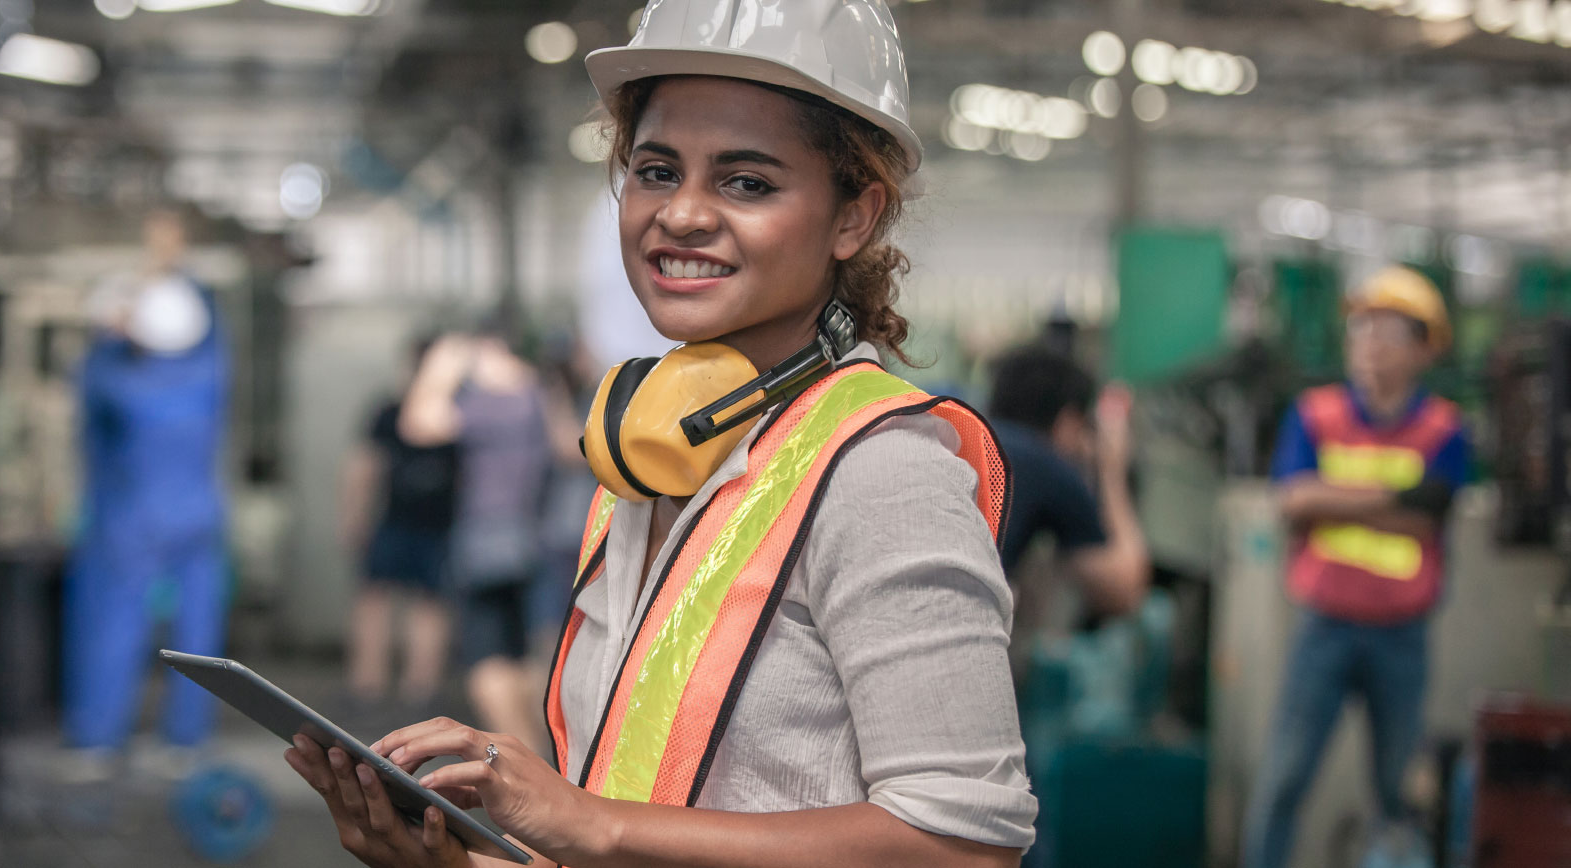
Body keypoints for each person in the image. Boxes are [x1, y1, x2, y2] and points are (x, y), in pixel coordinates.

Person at [283, 3, 1036, 865]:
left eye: (746, 182)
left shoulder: (880, 471)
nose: (680, 215)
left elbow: (967, 846)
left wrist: (589, 825)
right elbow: (647, 815)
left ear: (853, 218)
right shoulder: (645, 456)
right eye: (655, 170)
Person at [1241, 266, 1472, 868]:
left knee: (1398, 791)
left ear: (1425, 348)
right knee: (1283, 780)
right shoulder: (1315, 414)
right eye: (1362, 329)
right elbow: (1294, 501)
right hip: (1323, 628)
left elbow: (1431, 517)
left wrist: (1333, 498)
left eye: (1389, 332)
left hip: (1402, 636)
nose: (1370, 344)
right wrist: (1395, 498)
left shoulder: (1445, 429)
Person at [62, 211, 230, 774]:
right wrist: (171, 263)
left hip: (132, 520)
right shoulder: (208, 372)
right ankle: (185, 741)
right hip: (199, 515)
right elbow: (206, 321)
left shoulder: (119, 381)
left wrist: (111, 331)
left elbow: (90, 385)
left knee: (116, 626)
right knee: (198, 633)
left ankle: (98, 741)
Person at [398, 328, 555, 752]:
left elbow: (417, 422)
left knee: (487, 659)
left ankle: (525, 762)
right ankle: (544, 761)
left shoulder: (494, 402)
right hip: (533, 539)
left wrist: (440, 368)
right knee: (523, 654)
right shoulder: (538, 393)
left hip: (487, 541)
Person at [339, 338, 459, 711]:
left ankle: (419, 689)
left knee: (429, 605)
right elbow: (363, 467)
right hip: (394, 521)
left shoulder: (458, 415)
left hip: (441, 525)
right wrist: (354, 516)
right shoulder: (389, 412)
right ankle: (367, 685)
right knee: (377, 600)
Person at [986, 345, 1150, 616]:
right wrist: (1112, 469)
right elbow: (1124, 590)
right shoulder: (1044, 464)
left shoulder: (970, 438)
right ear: (1068, 421)